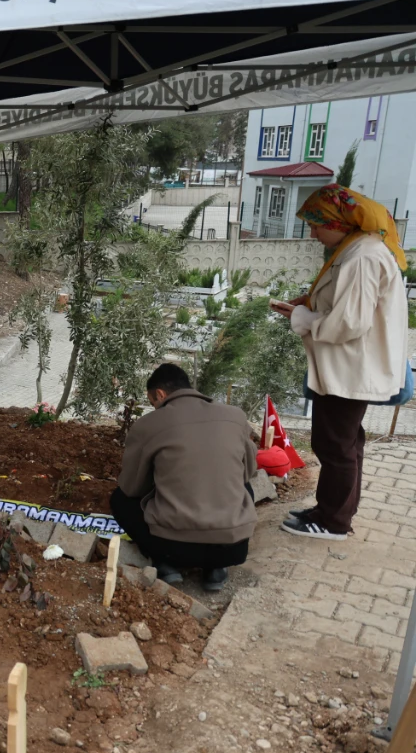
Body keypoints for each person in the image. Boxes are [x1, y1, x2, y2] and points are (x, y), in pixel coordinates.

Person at [273, 184, 409, 540]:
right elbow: (349, 305)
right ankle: (334, 510)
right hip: (350, 366)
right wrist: (310, 303)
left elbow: (349, 322)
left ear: (337, 222)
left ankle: (333, 521)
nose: (313, 233)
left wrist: (302, 317)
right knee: (346, 443)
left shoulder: (362, 257)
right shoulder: (358, 249)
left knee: (334, 445)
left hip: (351, 368)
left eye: (316, 224)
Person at [109, 364, 257, 592]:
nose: (154, 407)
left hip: (173, 547)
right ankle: (216, 568)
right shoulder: (235, 417)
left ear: (160, 394)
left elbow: (132, 487)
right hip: (233, 547)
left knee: (120, 500)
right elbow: (249, 472)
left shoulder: (149, 424)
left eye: (152, 402)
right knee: (244, 486)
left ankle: (164, 564)